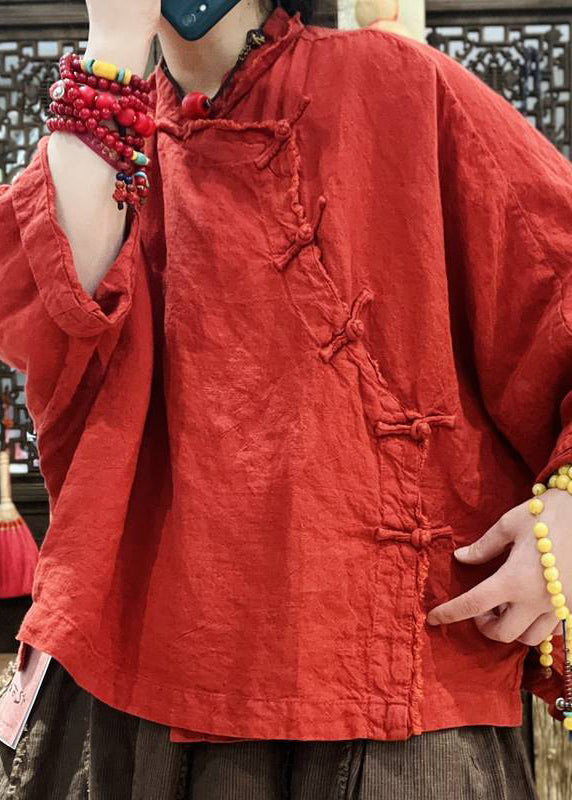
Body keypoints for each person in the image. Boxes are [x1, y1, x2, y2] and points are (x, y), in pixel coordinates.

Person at [0, 0, 571, 796]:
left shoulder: (399, 87)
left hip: (404, 689)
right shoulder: (99, 145)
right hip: (150, 676)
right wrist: (115, 39)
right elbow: (69, 310)